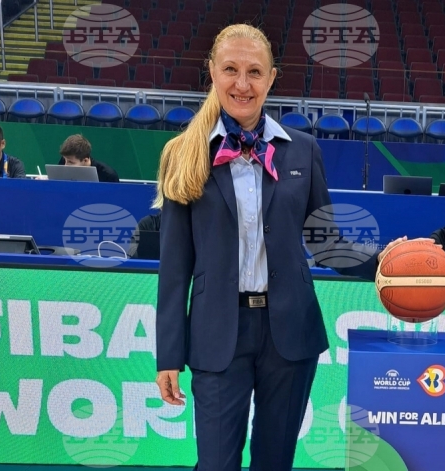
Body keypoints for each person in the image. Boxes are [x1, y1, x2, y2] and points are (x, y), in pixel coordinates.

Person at [152, 24, 406, 471]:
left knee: (275, 462)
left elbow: (325, 242)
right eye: (230, 69)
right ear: (212, 72)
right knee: (215, 464)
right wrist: (168, 355)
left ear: (272, 78)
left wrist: (385, 260)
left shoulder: (303, 150)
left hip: (289, 333)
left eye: (255, 71)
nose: (242, 84)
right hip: (217, 335)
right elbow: (175, 267)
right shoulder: (183, 153)